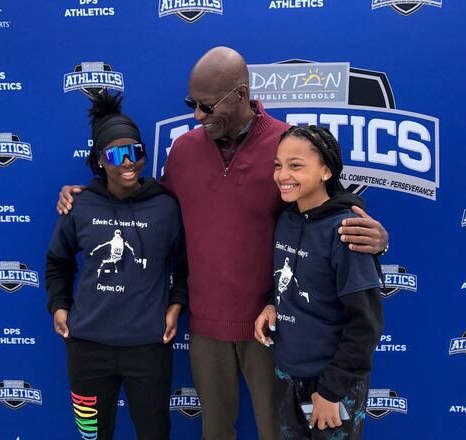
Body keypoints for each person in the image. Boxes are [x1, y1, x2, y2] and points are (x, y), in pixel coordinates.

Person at [56, 47, 389, 440]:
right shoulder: (184, 150)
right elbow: (145, 202)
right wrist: (87, 194)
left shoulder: (284, 145)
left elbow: (328, 201)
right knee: (215, 432)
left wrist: (376, 236)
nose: (197, 115)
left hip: (272, 326)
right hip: (206, 326)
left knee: (276, 432)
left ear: (241, 94)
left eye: (207, 105)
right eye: (191, 104)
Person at [45, 91, 187, 440]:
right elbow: (57, 262)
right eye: (117, 154)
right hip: (88, 347)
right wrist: (59, 305)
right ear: (99, 161)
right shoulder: (79, 205)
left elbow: (184, 265)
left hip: (148, 348)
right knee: (93, 435)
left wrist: (176, 305)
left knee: (154, 433)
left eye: (135, 152)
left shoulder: (167, 207)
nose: (128, 163)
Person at [255, 125, 383, 439]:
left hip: (332, 383)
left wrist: (331, 391)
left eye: (295, 165)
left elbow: (365, 325)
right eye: (278, 165)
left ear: (326, 170)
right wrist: (273, 304)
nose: (283, 174)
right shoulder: (286, 219)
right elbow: (297, 277)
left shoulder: (347, 231)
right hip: (287, 374)